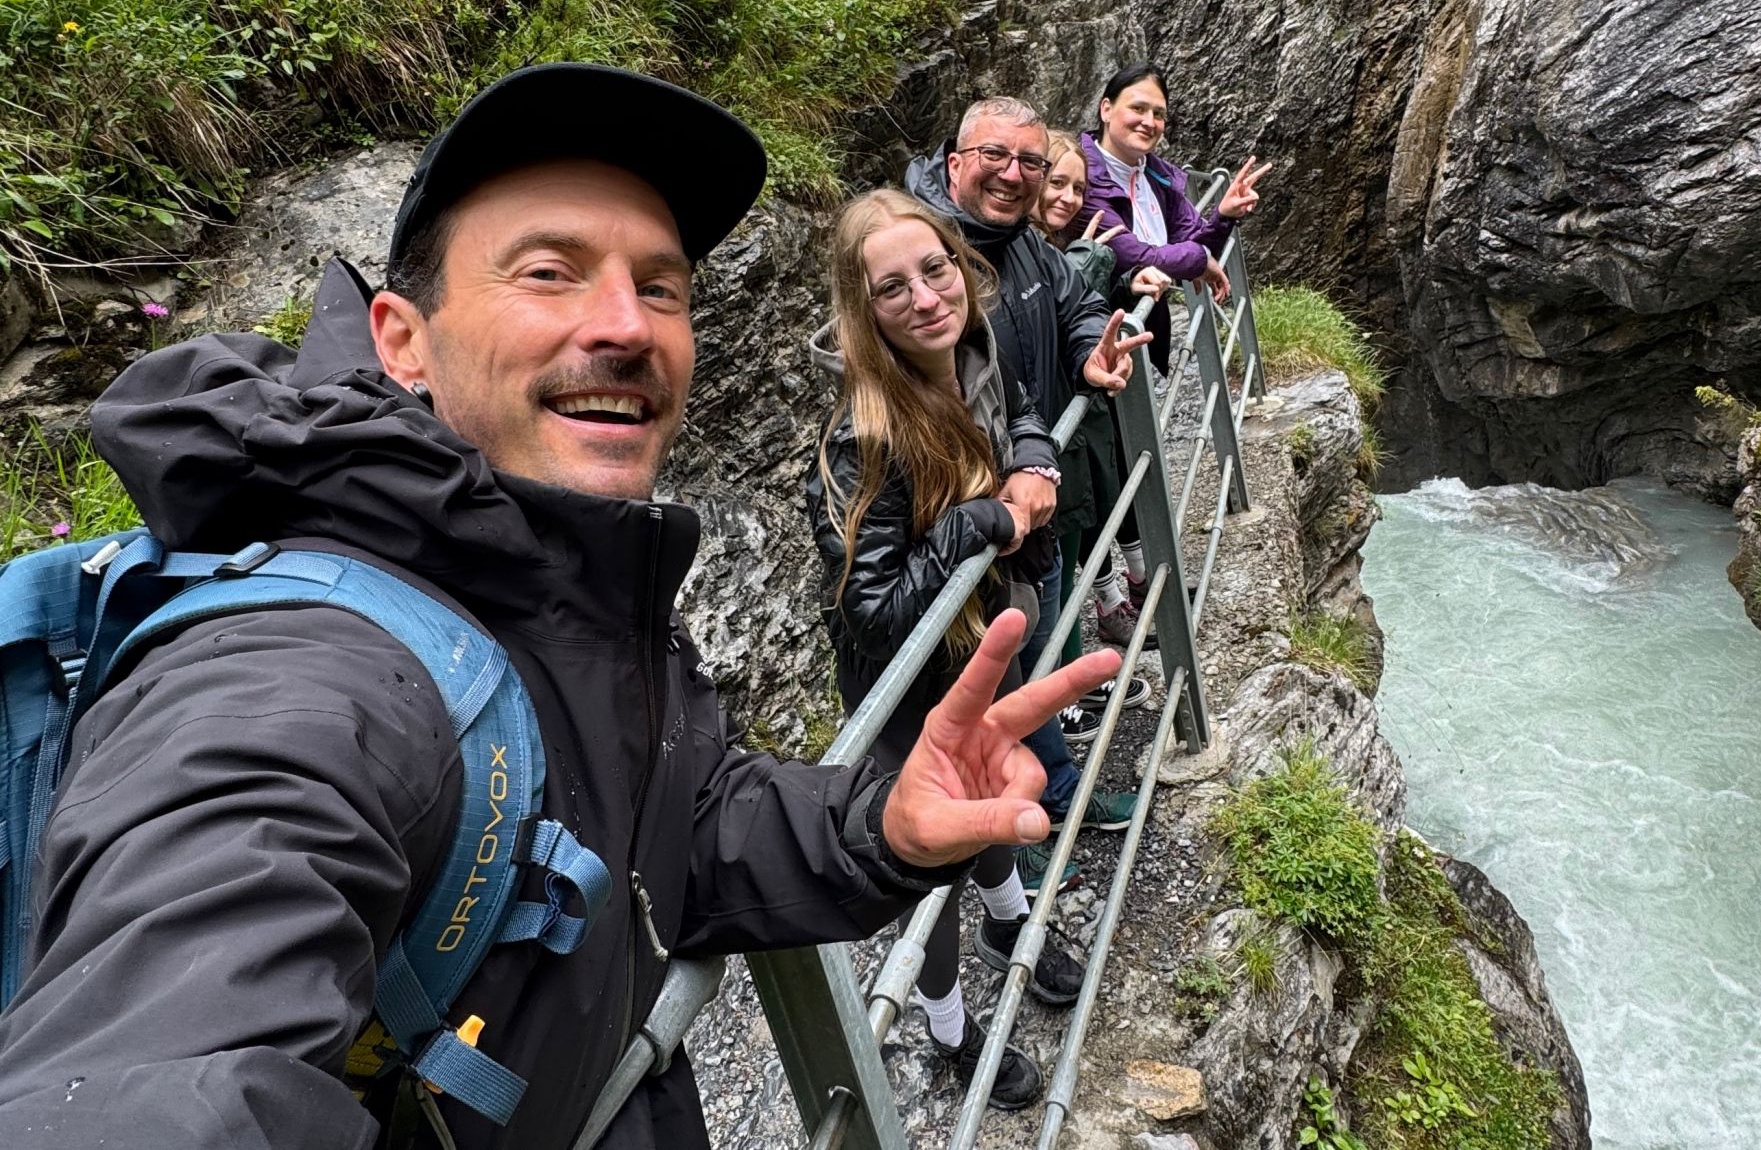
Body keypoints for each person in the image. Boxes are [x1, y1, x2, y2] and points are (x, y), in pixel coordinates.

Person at [0, 63, 1117, 1150]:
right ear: (402, 340)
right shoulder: (296, 675)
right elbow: (164, 1060)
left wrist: (875, 825)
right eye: (548, 273)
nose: (626, 326)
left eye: (662, 284)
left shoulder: (553, 566)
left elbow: (672, 823)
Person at [806, 188, 1105, 1110]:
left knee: (994, 788)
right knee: (930, 854)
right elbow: (870, 611)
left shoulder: (974, 350)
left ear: (959, 268)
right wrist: (981, 521)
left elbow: (1014, 409)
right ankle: (944, 1023)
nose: (927, 297)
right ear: (865, 315)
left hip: (982, 645)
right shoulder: (865, 435)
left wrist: (1033, 458)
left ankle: (1010, 922)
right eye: (892, 289)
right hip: (908, 694)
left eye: (936, 270)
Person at [906, 98, 1147, 841]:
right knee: (991, 678)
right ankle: (1018, 845)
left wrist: (1089, 351)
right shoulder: (926, 261)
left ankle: (1052, 794)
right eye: (994, 158)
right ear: (955, 163)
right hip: (969, 519)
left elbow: (1075, 304)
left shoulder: (1027, 245)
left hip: (1031, 501)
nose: (1014, 177)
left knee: (1033, 655)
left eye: (1030, 162)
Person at [1030, 134, 1166, 719]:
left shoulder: (1054, 247)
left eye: (1077, 187)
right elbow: (1052, 317)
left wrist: (1117, 282)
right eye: (1055, 182)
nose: (1065, 197)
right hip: (1046, 433)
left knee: (1066, 557)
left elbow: (1077, 311)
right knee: (1050, 573)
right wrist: (1092, 263)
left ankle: (1074, 680)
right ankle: (1061, 696)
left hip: (1066, 429)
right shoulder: (1036, 253)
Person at [1080, 63, 1272, 375]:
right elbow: (1136, 257)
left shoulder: (1156, 175)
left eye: (1158, 114)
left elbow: (1194, 243)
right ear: (1106, 109)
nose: (1149, 122)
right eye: (1138, 108)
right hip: (1096, 338)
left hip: (1148, 325)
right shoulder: (1084, 178)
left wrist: (1223, 216)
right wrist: (1199, 260)